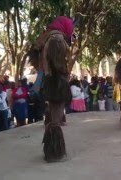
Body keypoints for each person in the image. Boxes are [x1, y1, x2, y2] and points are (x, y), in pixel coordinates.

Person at [28, 16, 76, 162]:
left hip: (50, 81)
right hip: (57, 82)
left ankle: (52, 150)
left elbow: (40, 64)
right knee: (55, 119)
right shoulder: (56, 39)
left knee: (54, 118)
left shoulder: (46, 38)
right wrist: (64, 76)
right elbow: (58, 64)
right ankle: (54, 151)